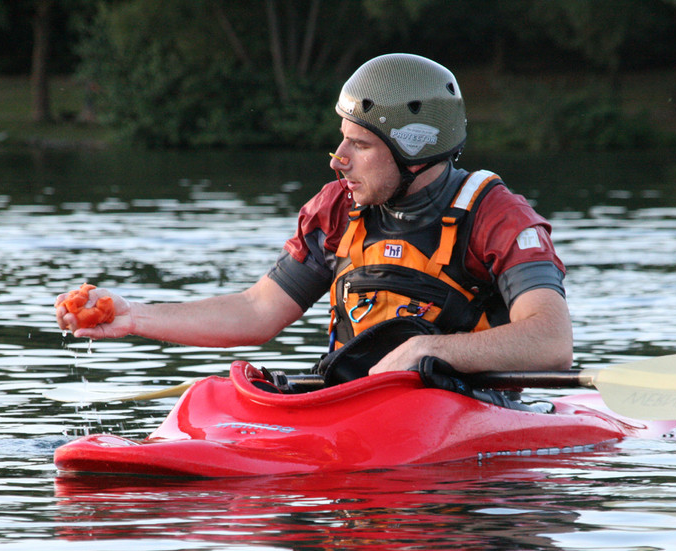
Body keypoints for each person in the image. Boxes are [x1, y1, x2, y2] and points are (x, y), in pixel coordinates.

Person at [56, 53, 572, 378]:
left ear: (416, 152)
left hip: (468, 409)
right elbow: (257, 312)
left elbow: (551, 342)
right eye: (341, 138)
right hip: (353, 402)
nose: (337, 159)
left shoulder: (497, 216)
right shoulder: (338, 208)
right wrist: (134, 315)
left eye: (361, 144)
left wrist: (426, 351)